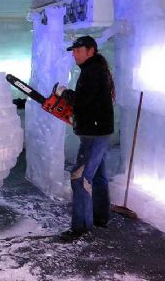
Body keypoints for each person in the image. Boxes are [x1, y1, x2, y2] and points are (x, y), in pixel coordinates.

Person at [57, 35, 115, 242]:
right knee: (98, 176)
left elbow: (81, 102)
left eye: (78, 50)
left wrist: (64, 93)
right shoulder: (97, 70)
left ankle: (80, 227)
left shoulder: (91, 72)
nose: (75, 54)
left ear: (91, 51)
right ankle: (101, 217)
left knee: (79, 178)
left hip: (94, 134)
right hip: (99, 130)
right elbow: (89, 103)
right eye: (74, 51)